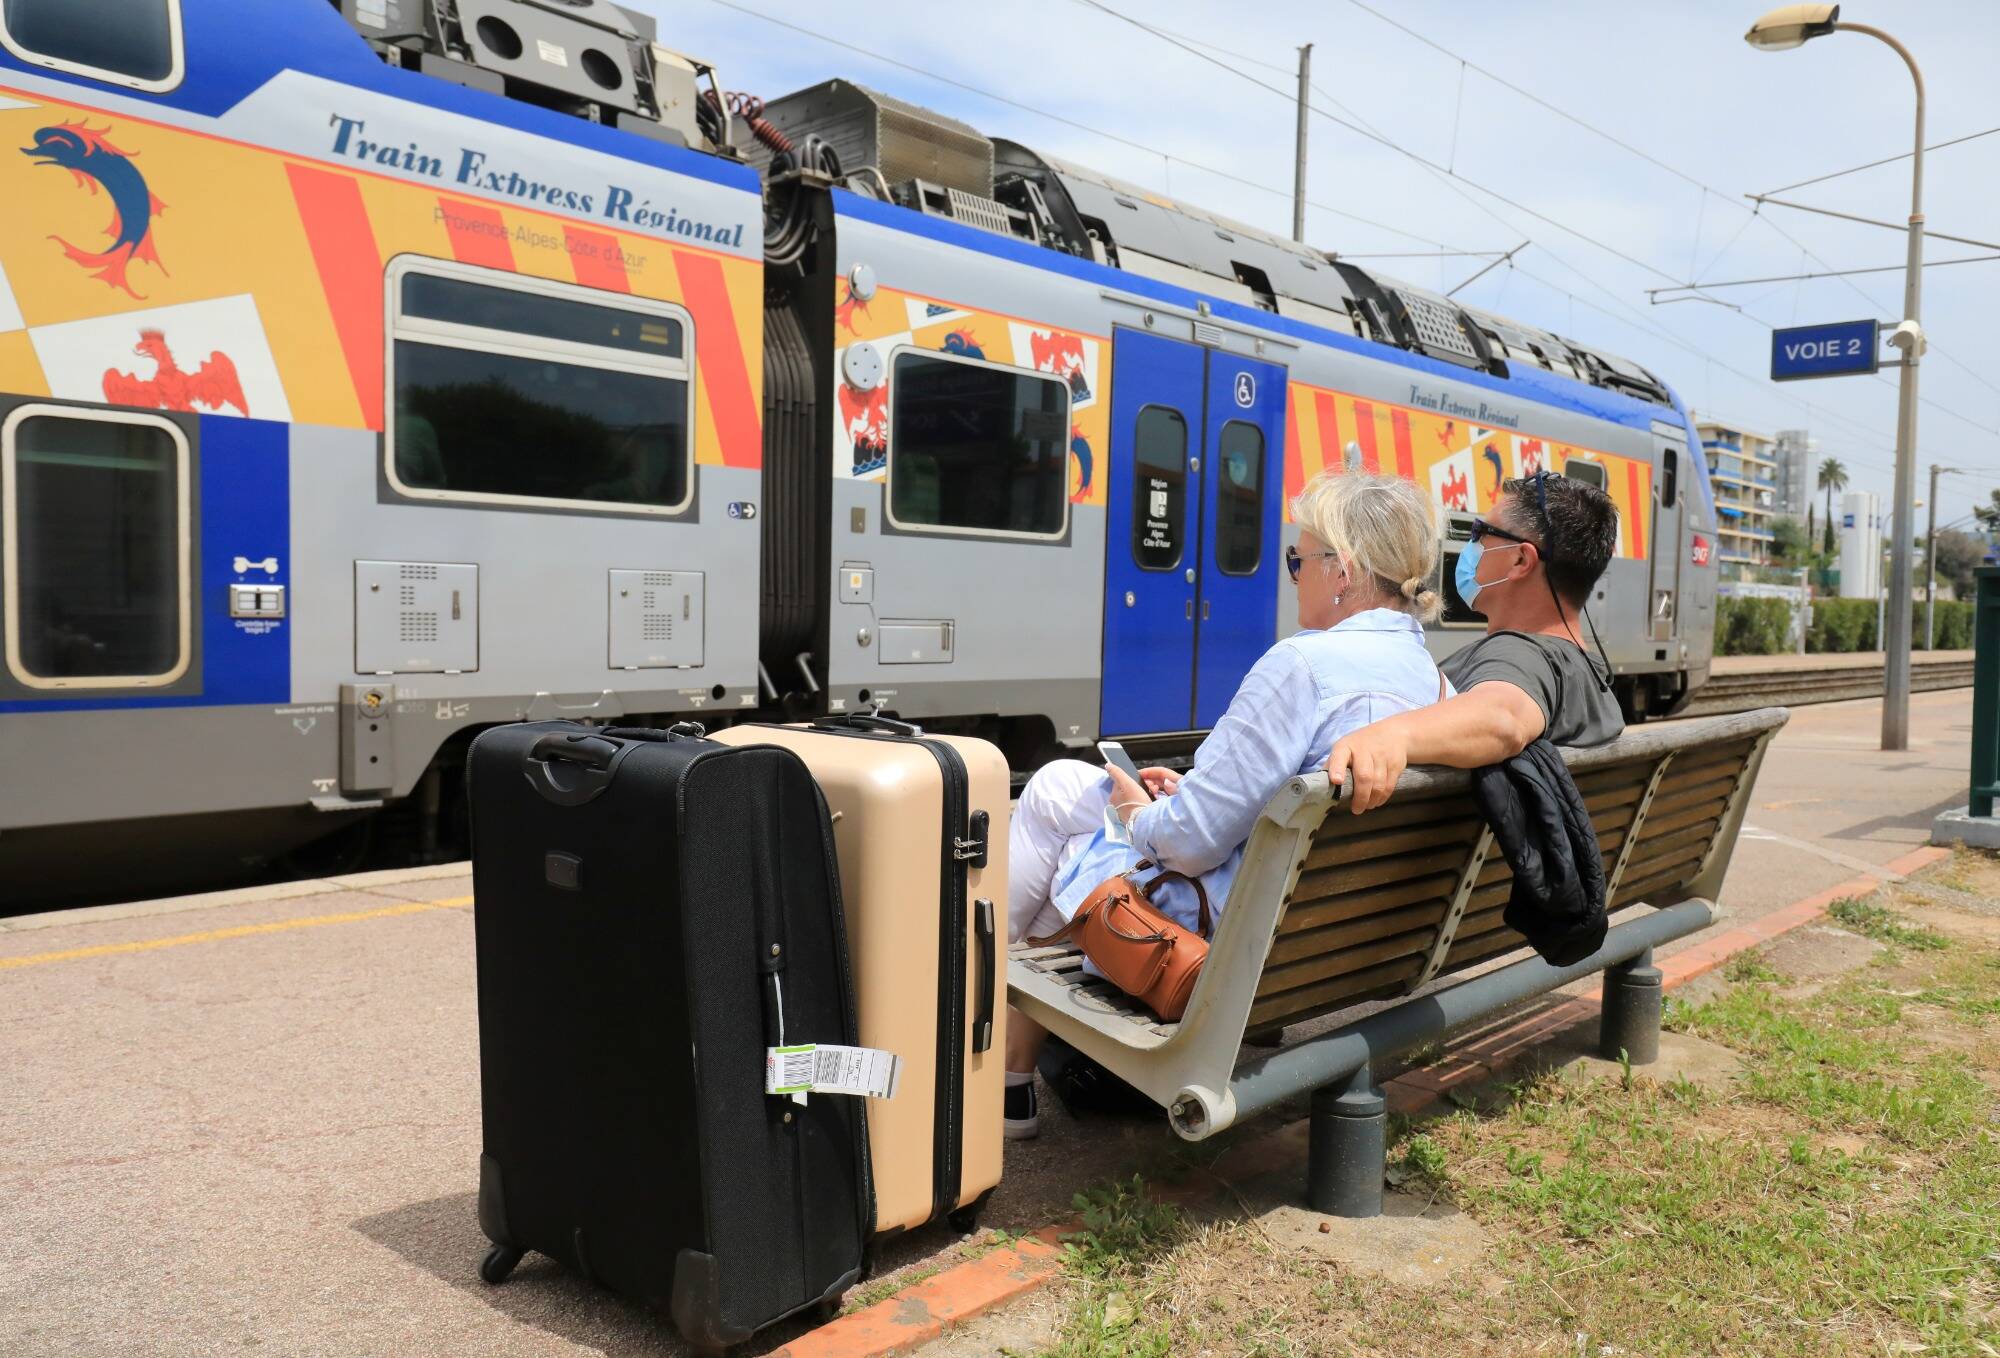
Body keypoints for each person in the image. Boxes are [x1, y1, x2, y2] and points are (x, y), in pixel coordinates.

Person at [1004, 471, 1450, 1139]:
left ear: (1342, 570)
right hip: (1341, 943)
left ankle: (969, 1009)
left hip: (1225, 946)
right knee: (1074, 822)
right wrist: (1195, 795)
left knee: (1060, 794)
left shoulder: (1302, 667)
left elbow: (1186, 844)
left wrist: (1136, 811)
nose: (1292, 572)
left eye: (1299, 559)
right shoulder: (1437, 682)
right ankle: (1008, 1078)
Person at [1325, 470, 1624, 814]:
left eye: (1482, 532)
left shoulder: (1521, 655)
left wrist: (1390, 736)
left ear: (1520, 560)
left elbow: (1503, 718)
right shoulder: (1588, 671)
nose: (1471, 542)